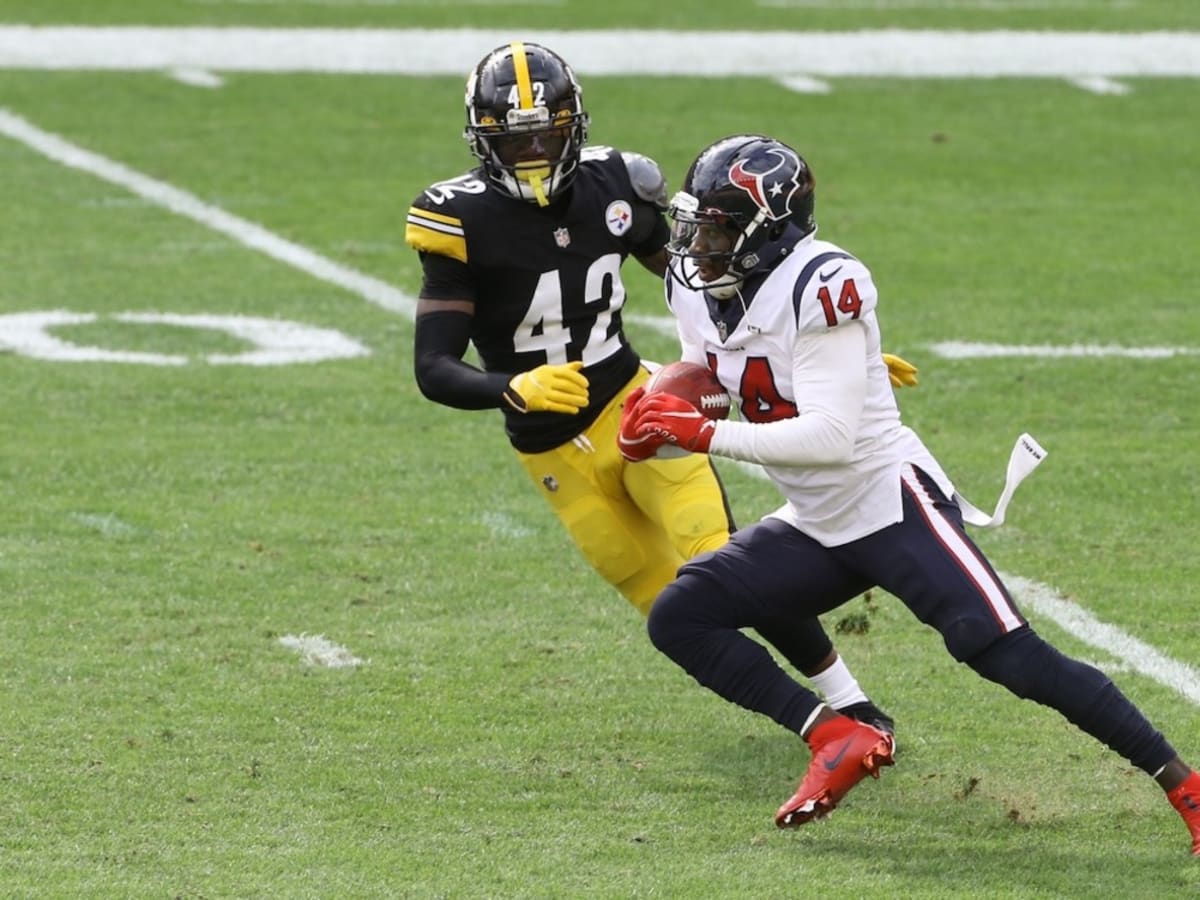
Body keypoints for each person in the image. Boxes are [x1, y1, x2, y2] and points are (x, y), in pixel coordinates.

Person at [618, 132, 1200, 853]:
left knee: (1007, 656)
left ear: (769, 230)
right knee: (681, 614)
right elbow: (706, 366)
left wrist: (703, 436)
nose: (700, 244)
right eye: (697, 225)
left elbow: (829, 437)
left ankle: (1185, 785)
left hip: (889, 502)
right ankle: (837, 734)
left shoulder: (821, 282)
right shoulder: (697, 290)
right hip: (817, 518)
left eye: (720, 227)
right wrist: (663, 414)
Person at [404, 42, 917, 729]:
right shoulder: (459, 219)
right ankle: (815, 725)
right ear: (481, 139)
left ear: (574, 126)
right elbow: (433, 368)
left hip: (639, 408)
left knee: (724, 560)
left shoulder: (615, 184)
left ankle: (852, 702)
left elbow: (713, 278)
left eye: (546, 132)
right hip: (550, 453)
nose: (532, 151)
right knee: (670, 608)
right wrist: (509, 388)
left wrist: (822, 347)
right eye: (514, 137)